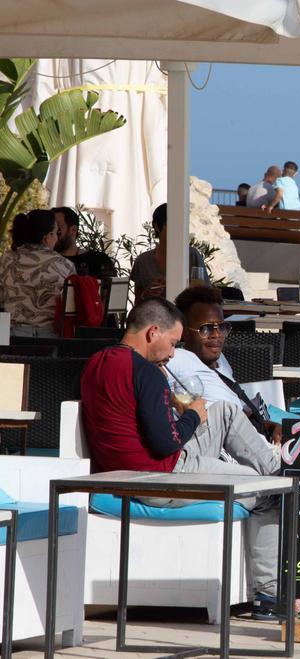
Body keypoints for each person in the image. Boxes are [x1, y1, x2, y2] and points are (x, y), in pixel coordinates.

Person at [79, 297, 281, 620]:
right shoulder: (146, 373)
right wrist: (193, 416)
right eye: (172, 343)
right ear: (152, 333)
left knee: (226, 412)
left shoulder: (96, 362)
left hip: (125, 469)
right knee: (271, 490)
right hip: (160, 476)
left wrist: (184, 415)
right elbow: (165, 443)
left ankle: (281, 469)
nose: (173, 353)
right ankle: (267, 597)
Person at [166, 285, 286, 439]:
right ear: (183, 332)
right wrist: (172, 401)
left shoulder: (220, 359)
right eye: (206, 329)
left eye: (221, 327)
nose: (216, 335)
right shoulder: (178, 358)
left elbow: (240, 412)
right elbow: (140, 369)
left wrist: (266, 426)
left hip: (256, 439)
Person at [0, 209, 76, 337]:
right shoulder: (65, 265)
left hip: (11, 337)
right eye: (56, 233)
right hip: (50, 339)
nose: (57, 237)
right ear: (47, 237)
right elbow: (69, 309)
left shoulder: (7, 259)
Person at [131, 203, 207, 303]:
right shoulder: (143, 261)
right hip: (154, 316)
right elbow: (137, 303)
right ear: (157, 226)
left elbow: (205, 294)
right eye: (172, 225)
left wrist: (178, 289)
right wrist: (147, 294)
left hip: (184, 316)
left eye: (180, 225)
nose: (177, 230)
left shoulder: (192, 255)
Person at [52, 206, 117, 278]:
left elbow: (113, 288)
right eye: (50, 229)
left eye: (58, 228)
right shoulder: (46, 261)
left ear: (73, 230)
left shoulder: (99, 260)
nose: (52, 233)